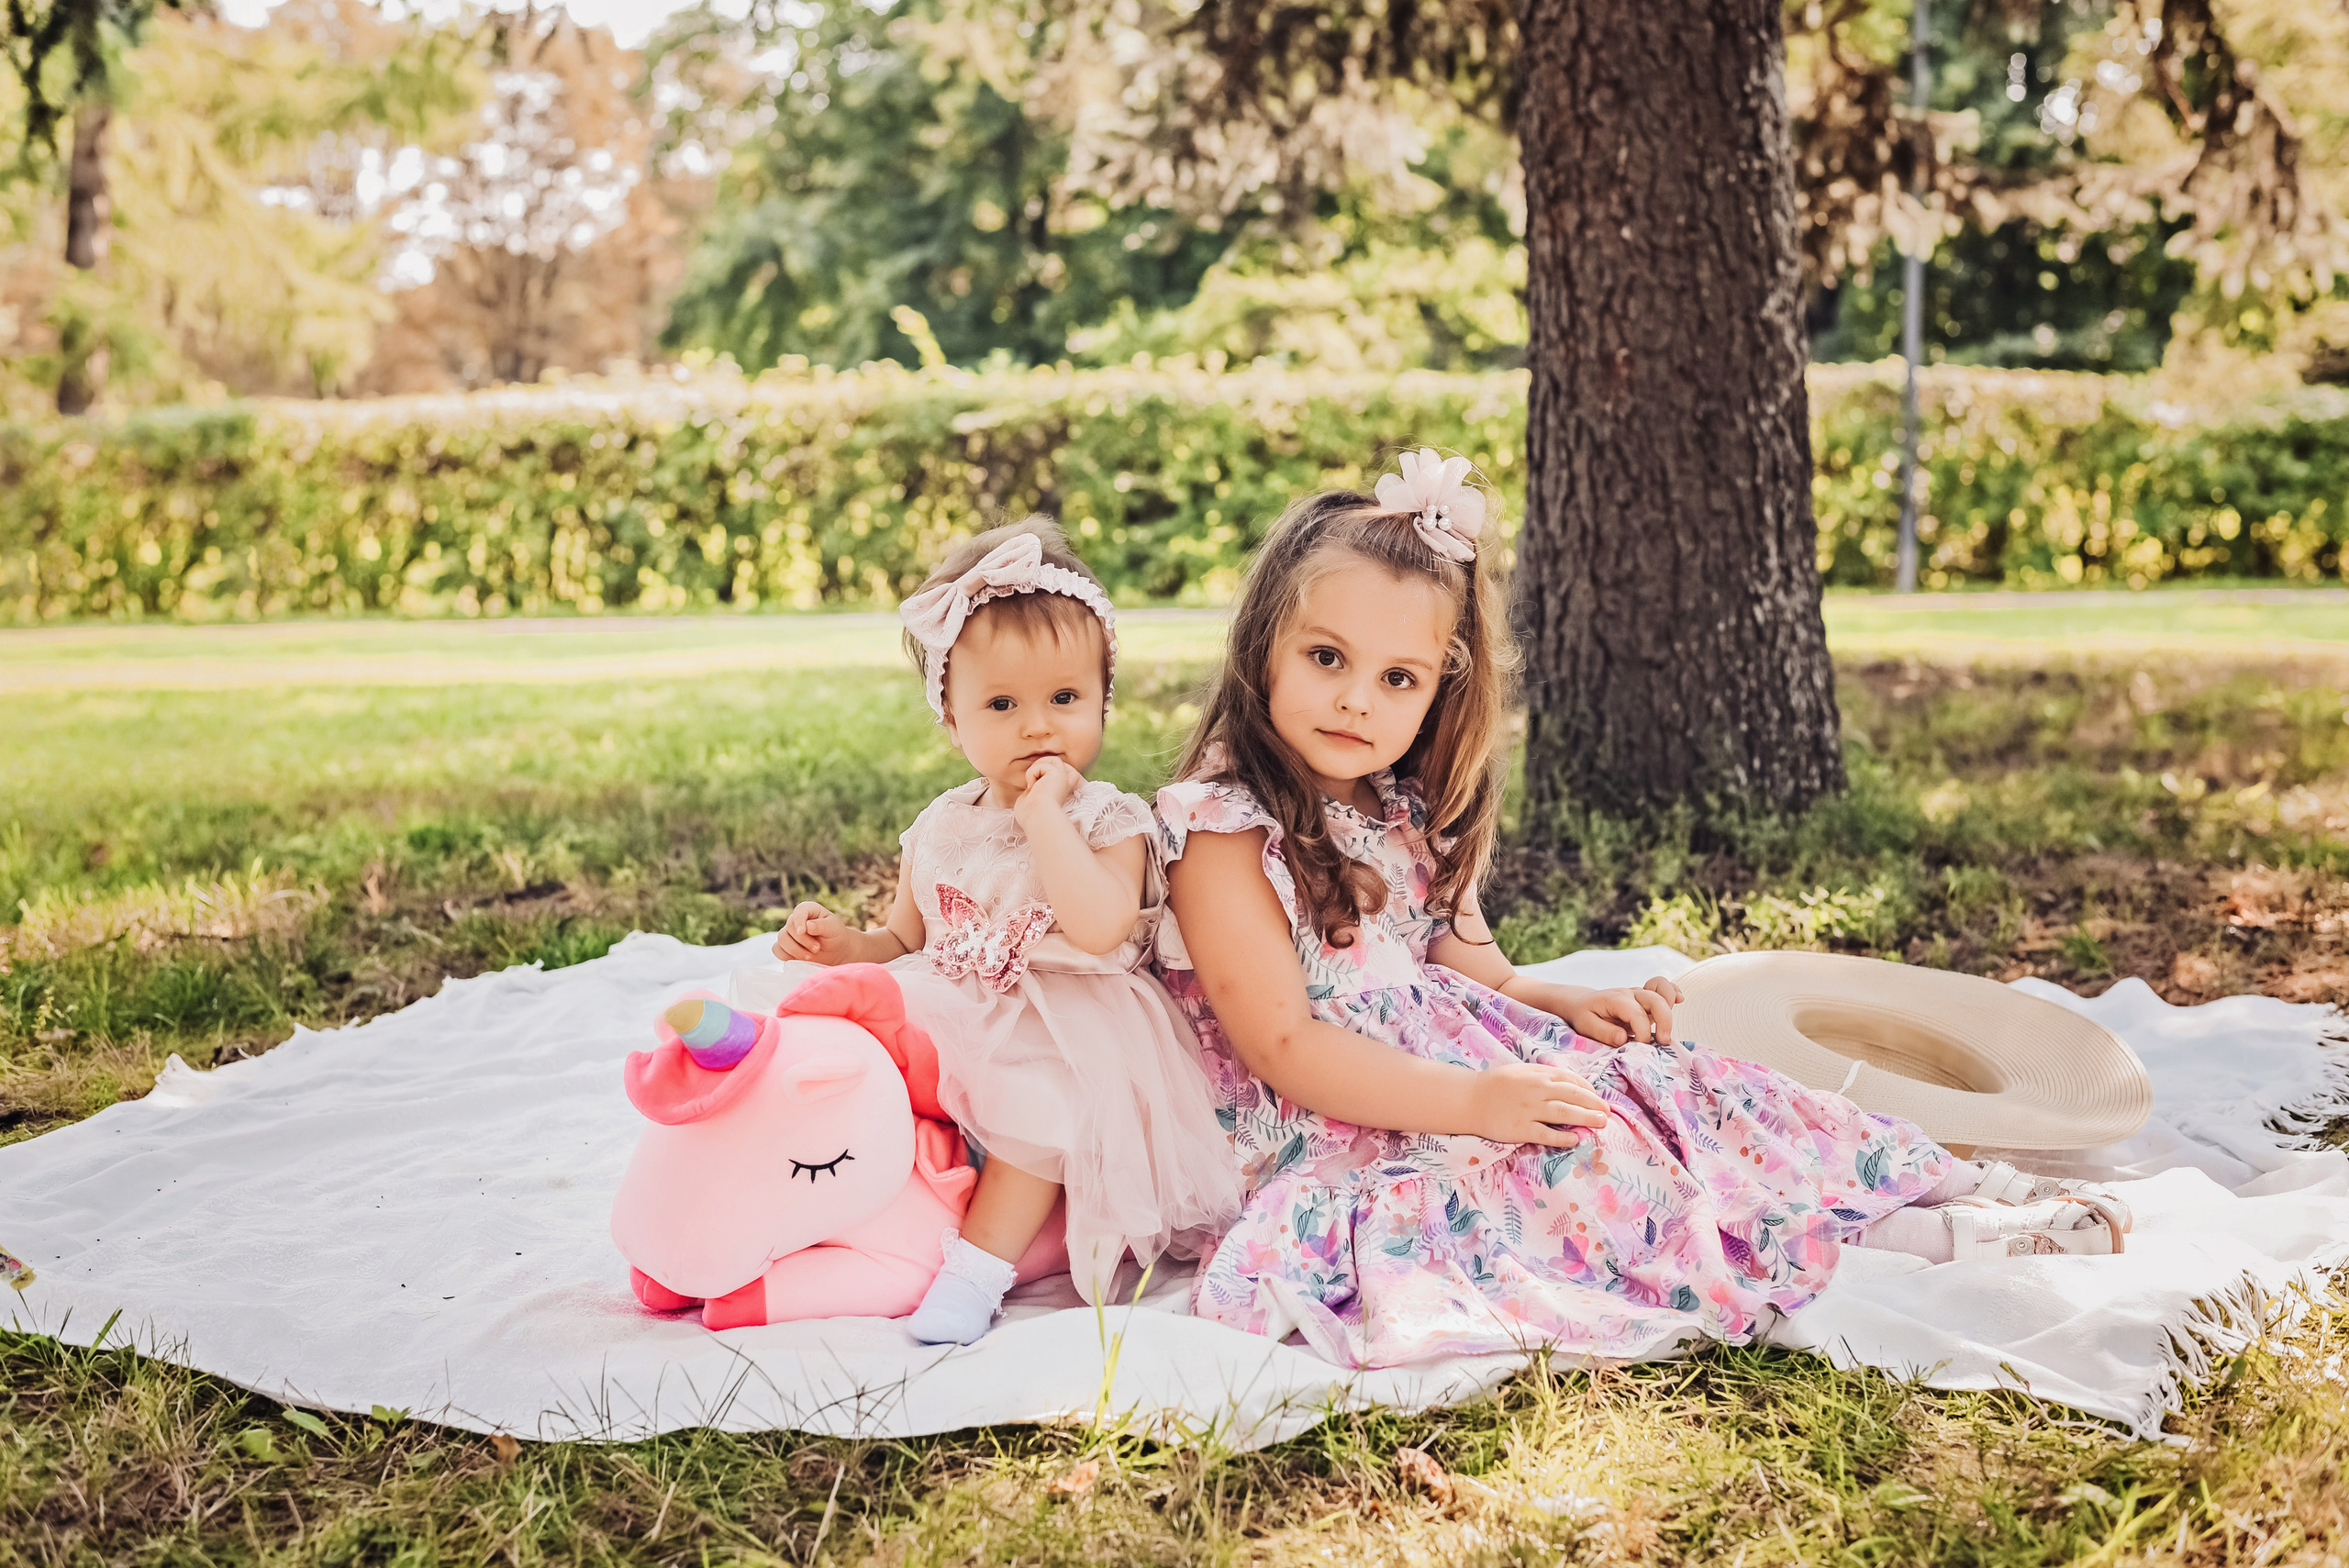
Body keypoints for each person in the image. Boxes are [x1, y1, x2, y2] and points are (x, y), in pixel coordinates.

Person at [1150, 450, 2129, 1369]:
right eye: (1326, 657)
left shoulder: (1399, 805)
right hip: (1338, 1123)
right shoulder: (1225, 826)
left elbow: (1470, 965)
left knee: (1680, 1083)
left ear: (1440, 687)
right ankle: (1915, 1243)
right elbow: (1283, 1045)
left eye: (1396, 677)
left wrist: (1561, 1003)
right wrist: (1478, 1102)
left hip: (1458, 1072)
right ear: (1264, 645)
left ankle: (1929, 1183)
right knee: (1588, 1155)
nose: (1356, 700)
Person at [772, 518, 1240, 1344]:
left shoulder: (1108, 818)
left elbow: (1098, 926)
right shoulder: (941, 823)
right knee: (834, 1049)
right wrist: (844, 947)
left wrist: (1045, 817)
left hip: (1069, 1032)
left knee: (1040, 1109)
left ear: (1102, 702)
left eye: (1065, 699)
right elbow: (902, 940)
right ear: (952, 721)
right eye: (1001, 704)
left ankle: (975, 1272)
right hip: (952, 1011)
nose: (1037, 727)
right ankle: (824, 1197)